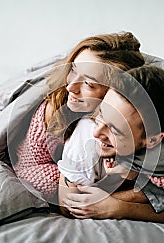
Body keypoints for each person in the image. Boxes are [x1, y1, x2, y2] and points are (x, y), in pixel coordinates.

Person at [12, 32, 145, 202]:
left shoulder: (129, 123)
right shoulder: (56, 107)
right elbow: (26, 170)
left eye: (89, 84)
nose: (71, 86)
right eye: (73, 70)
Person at [60, 66, 164, 222]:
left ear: (152, 140)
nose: (97, 133)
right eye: (101, 114)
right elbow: (69, 206)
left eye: (115, 130)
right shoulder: (86, 135)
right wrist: (137, 197)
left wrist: (115, 206)